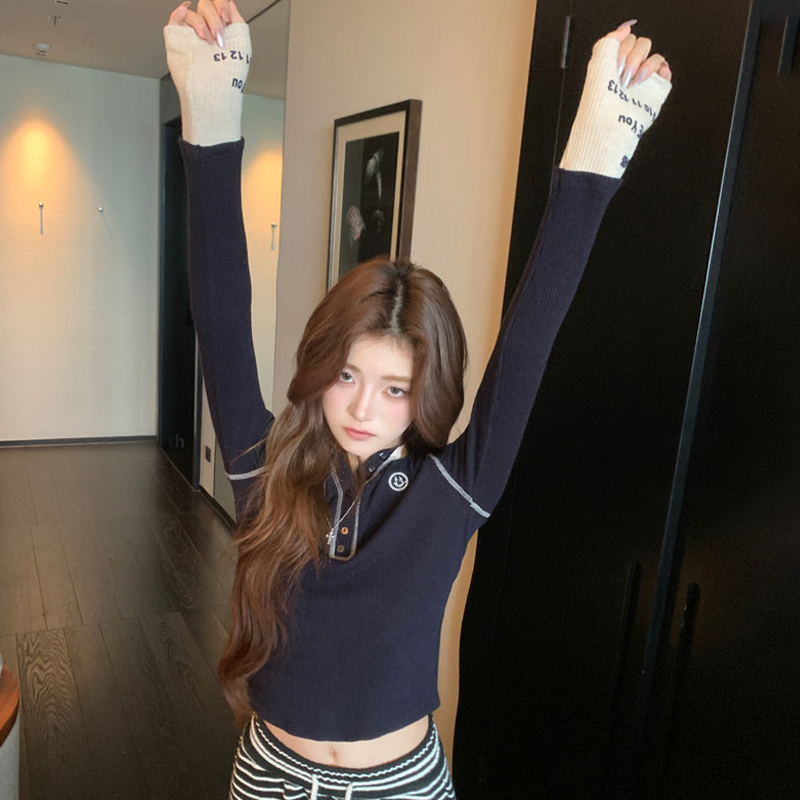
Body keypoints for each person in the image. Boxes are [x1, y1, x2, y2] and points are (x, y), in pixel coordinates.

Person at [164, 2, 672, 798]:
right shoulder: (266, 469)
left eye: (395, 387)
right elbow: (222, 319)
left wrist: (599, 146)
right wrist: (210, 107)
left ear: (425, 392)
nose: (362, 408)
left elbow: (528, 341)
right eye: (346, 375)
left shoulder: (453, 488)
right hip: (270, 775)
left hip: (401, 784)